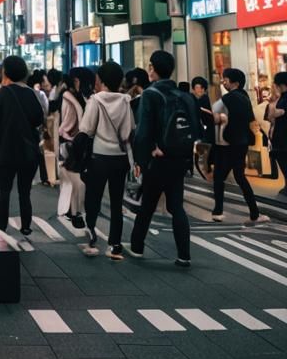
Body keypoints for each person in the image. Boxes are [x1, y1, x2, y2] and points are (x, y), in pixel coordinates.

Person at [128, 50, 200, 266]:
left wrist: (141, 159)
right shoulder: (185, 96)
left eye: (150, 66)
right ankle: (184, 255)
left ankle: (137, 247)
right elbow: (195, 129)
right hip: (179, 159)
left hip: (157, 158)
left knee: (147, 205)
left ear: (153, 68)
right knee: (176, 205)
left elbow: (143, 132)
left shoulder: (150, 94)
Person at [79, 61, 133, 260]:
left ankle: (92, 235)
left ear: (101, 80)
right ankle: (115, 244)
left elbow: (86, 129)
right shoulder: (126, 101)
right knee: (117, 201)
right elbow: (128, 132)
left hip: (99, 157)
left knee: (94, 197)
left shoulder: (95, 100)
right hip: (120, 158)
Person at [0, 55, 44, 237]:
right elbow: (38, 119)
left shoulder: (2, 94)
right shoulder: (31, 94)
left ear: (6, 72)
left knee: (4, 191)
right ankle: (26, 226)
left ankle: (2, 227)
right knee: (25, 192)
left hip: (5, 150)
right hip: (28, 151)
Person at [210, 67, 269, 225]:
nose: (223, 82)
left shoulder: (227, 98)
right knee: (240, 176)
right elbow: (250, 119)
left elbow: (213, 111)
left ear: (234, 83)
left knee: (219, 177)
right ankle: (254, 213)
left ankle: (218, 211)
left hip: (227, 143)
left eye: (226, 80)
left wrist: (220, 118)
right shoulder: (245, 98)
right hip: (242, 142)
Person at [56, 71, 88, 229]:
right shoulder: (69, 96)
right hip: (70, 141)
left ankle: (71, 211)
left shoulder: (75, 95)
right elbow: (70, 121)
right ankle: (74, 213)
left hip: (73, 141)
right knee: (75, 181)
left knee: (73, 181)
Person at [265, 72, 287, 194]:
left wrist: (273, 106)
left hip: (282, 137)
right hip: (280, 136)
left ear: (280, 85)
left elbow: (274, 114)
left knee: (283, 161)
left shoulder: (283, 98)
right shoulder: (282, 97)